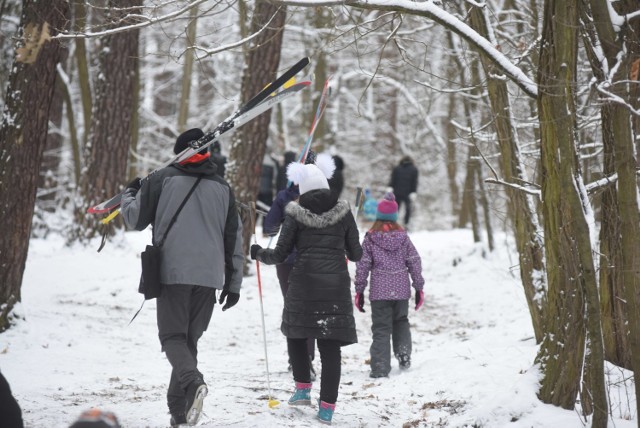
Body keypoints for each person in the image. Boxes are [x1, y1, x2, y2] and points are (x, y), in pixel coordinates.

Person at [120, 128, 244, 427]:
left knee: (172, 338)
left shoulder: (161, 180)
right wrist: (234, 282)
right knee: (187, 342)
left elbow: (134, 219)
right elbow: (234, 238)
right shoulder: (223, 187)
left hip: (174, 272)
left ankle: (192, 383)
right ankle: (179, 412)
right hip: (210, 276)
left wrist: (130, 193)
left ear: (179, 152)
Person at [250, 156, 362, 425]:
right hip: (334, 286)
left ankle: (302, 388)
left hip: (302, 285)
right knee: (330, 347)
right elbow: (356, 254)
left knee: (296, 333)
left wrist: (258, 253)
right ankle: (327, 408)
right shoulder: (344, 212)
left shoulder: (294, 213)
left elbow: (280, 254)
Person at [262, 151, 325, 381]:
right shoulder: (326, 198)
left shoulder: (284, 196)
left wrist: (279, 218)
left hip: (288, 262)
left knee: (293, 309)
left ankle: (297, 359)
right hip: (315, 262)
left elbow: (269, 228)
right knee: (309, 310)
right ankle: (306, 359)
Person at [354, 192, 424, 378]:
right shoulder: (404, 239)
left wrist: (359, 290)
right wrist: (418, 287)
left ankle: (380, 367)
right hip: (401, 291)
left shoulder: (370, 239)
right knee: (401, 322)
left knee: (381, 328)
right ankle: (403, 356)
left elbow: (363, 265)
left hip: (380, 293)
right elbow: (414, 262)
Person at [389, 156, 418, 227]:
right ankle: (406, 223)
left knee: (395, 208)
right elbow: (414, 182)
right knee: (408, 209)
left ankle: (393, 223)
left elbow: (393, 179)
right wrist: (413, 192)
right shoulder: (414, 169)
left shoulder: (397, 168)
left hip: (397, 192)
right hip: (408, 193)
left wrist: (390, 187)